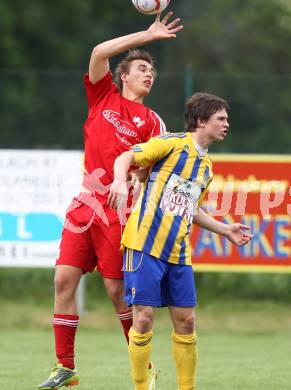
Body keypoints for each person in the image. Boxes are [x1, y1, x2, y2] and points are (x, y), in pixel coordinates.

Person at [38, 12, 183, 390]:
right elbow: (100, 50)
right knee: (63, 280)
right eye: (140, 69)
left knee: (118, 293)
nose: (148, 75)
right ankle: (65, 367)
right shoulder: (103, 94)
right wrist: (148, 36)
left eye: (151, 72)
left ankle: (144, 369)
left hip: (123, 210)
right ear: (124, 75)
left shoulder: (152, 121)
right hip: (86, 204)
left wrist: (139, 175)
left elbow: (159, 169)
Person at [108, 92, 254, 390]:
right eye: (221, 119)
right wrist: (119, 180)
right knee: (144, 319)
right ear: (201, 121)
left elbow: (192, 208)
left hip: (178, 253)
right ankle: (140, 386)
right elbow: (126, 157)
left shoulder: (206, 168)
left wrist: (224, 230)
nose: (227, 124)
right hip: (145, 244)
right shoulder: (172, 144)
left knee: (187, 322)